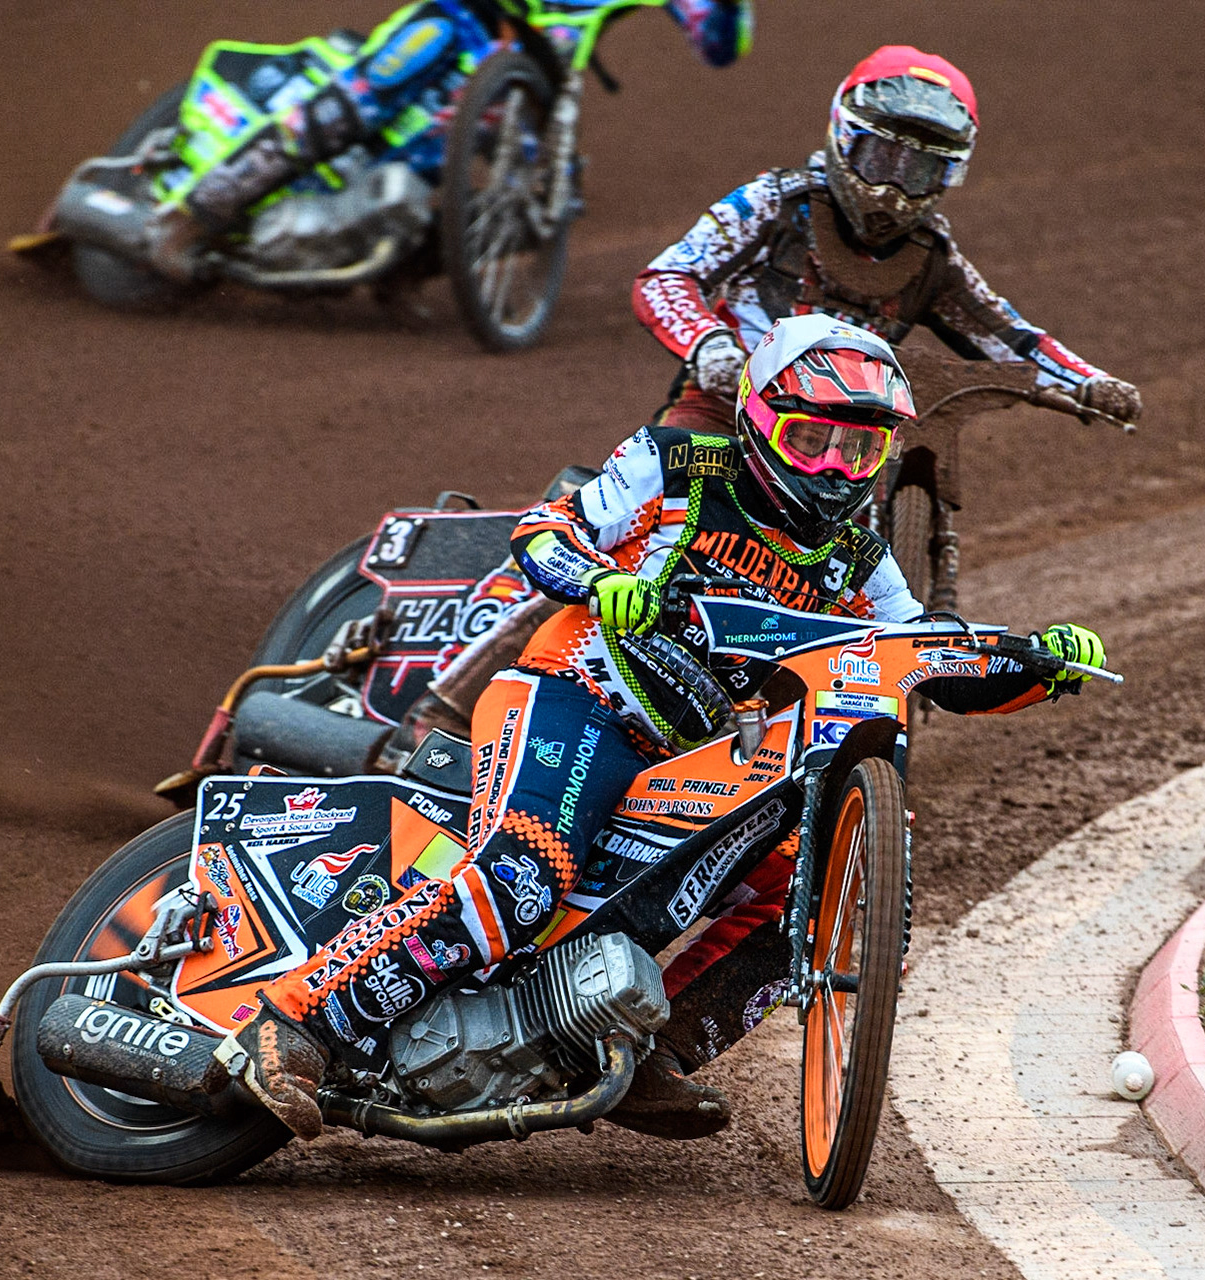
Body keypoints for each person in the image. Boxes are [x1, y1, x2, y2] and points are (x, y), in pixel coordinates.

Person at [215, 316, 1107, 1141]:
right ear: (758, 422)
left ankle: (655, 1051)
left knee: (808, 879)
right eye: (812, 439)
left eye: (857, 448)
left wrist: (1036, 665)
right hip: (578, 699)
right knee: (522, 879)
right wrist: (601, 582)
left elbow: (925, 656)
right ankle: (297, 1027)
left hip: (701, 750)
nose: (833, 469)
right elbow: (545, 531)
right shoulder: (678, 464)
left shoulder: (860, 556)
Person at [632, 45, 1142, 435]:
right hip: (733, 408)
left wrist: (1088, 381)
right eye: (880, 161)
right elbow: (668, 275)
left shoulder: (930, 260)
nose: (891, 192)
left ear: (946, 177)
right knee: (672, 482)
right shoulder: (773, 204)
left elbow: (1011, 338)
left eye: (917, 172)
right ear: (843, 137)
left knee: (864, 548)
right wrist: (709, 344)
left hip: (850, 434)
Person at [155, 0, 752, 276]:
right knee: (357, 102)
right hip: (460, 22)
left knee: (543, 205)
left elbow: (718, 44)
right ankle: (197, 212)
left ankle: (400, 272)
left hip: (520, 90)